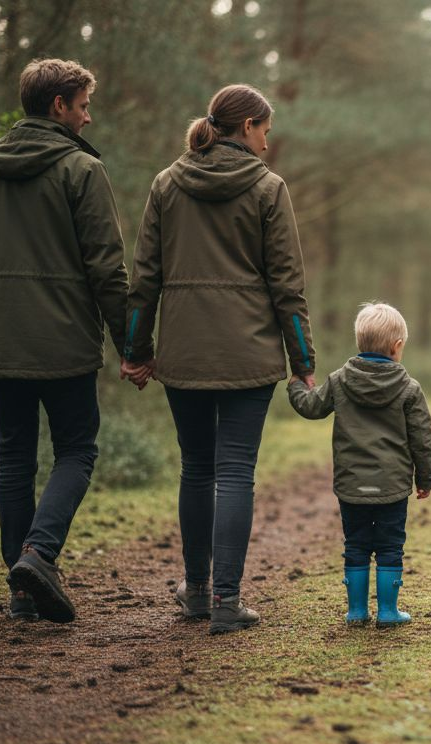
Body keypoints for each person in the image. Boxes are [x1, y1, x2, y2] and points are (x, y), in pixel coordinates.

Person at [122, 84, 315, 635]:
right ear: (249, 125)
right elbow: (288, 287)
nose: (267, 143)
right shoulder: (268, 189)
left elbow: (145, 281)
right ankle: (228, 602)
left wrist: (137, 353)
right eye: (265, 131)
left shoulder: (166, 184)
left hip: (183, 356)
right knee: (235, 474)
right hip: (249, 356)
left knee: (196, 470)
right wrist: (303, 360)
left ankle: (198, 593)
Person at [0, 58, 128, 624]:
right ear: (58, 106)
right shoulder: (82, 170)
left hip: (0, 339)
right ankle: (37, 555)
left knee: (14, 458)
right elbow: (107, 267)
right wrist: (131, 344)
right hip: (65, 342)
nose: (88, 116)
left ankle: (22, 593)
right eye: (82, 106)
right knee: (77, 449)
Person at [287, 303, 431, 627]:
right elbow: (422, 439)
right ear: (397, 347)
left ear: (359, 342)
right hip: (392, 488)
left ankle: (356, 612)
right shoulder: (409, 389)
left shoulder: (340, 381)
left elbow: (311, 407)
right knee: (390, 546)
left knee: (354, 544)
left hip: (351, 485)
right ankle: (387, 612)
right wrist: (425, 478)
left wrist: (296, 385)